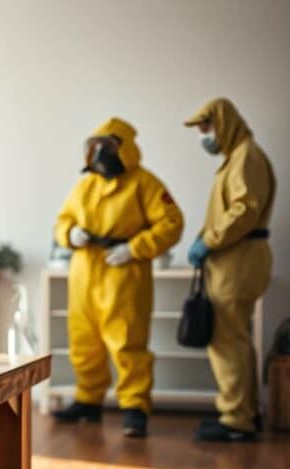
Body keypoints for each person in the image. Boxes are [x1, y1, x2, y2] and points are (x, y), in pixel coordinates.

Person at [53, 118, 184, 437]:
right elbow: (61, 221)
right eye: (96, 147)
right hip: (84, 271)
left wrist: (135, 248)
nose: (100, 153)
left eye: (107, 147)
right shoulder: (84, 185)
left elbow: (171, 223)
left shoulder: (145, 183)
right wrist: (71, 234)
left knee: (128, 343)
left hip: (124, 272)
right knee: (83, 341)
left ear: (124, 148)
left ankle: (134, 407)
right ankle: (88, 400)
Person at [184, 98, 275, 442]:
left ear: (222, 123)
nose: (203, 137)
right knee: (236, 339)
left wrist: (209, 240)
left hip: (238, 261)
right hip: (236, 260)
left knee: (226, 342)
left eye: (206, 129)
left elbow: (243, 210)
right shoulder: (238, 158)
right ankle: (244, 414)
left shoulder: (246, 158)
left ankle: (236, 419)